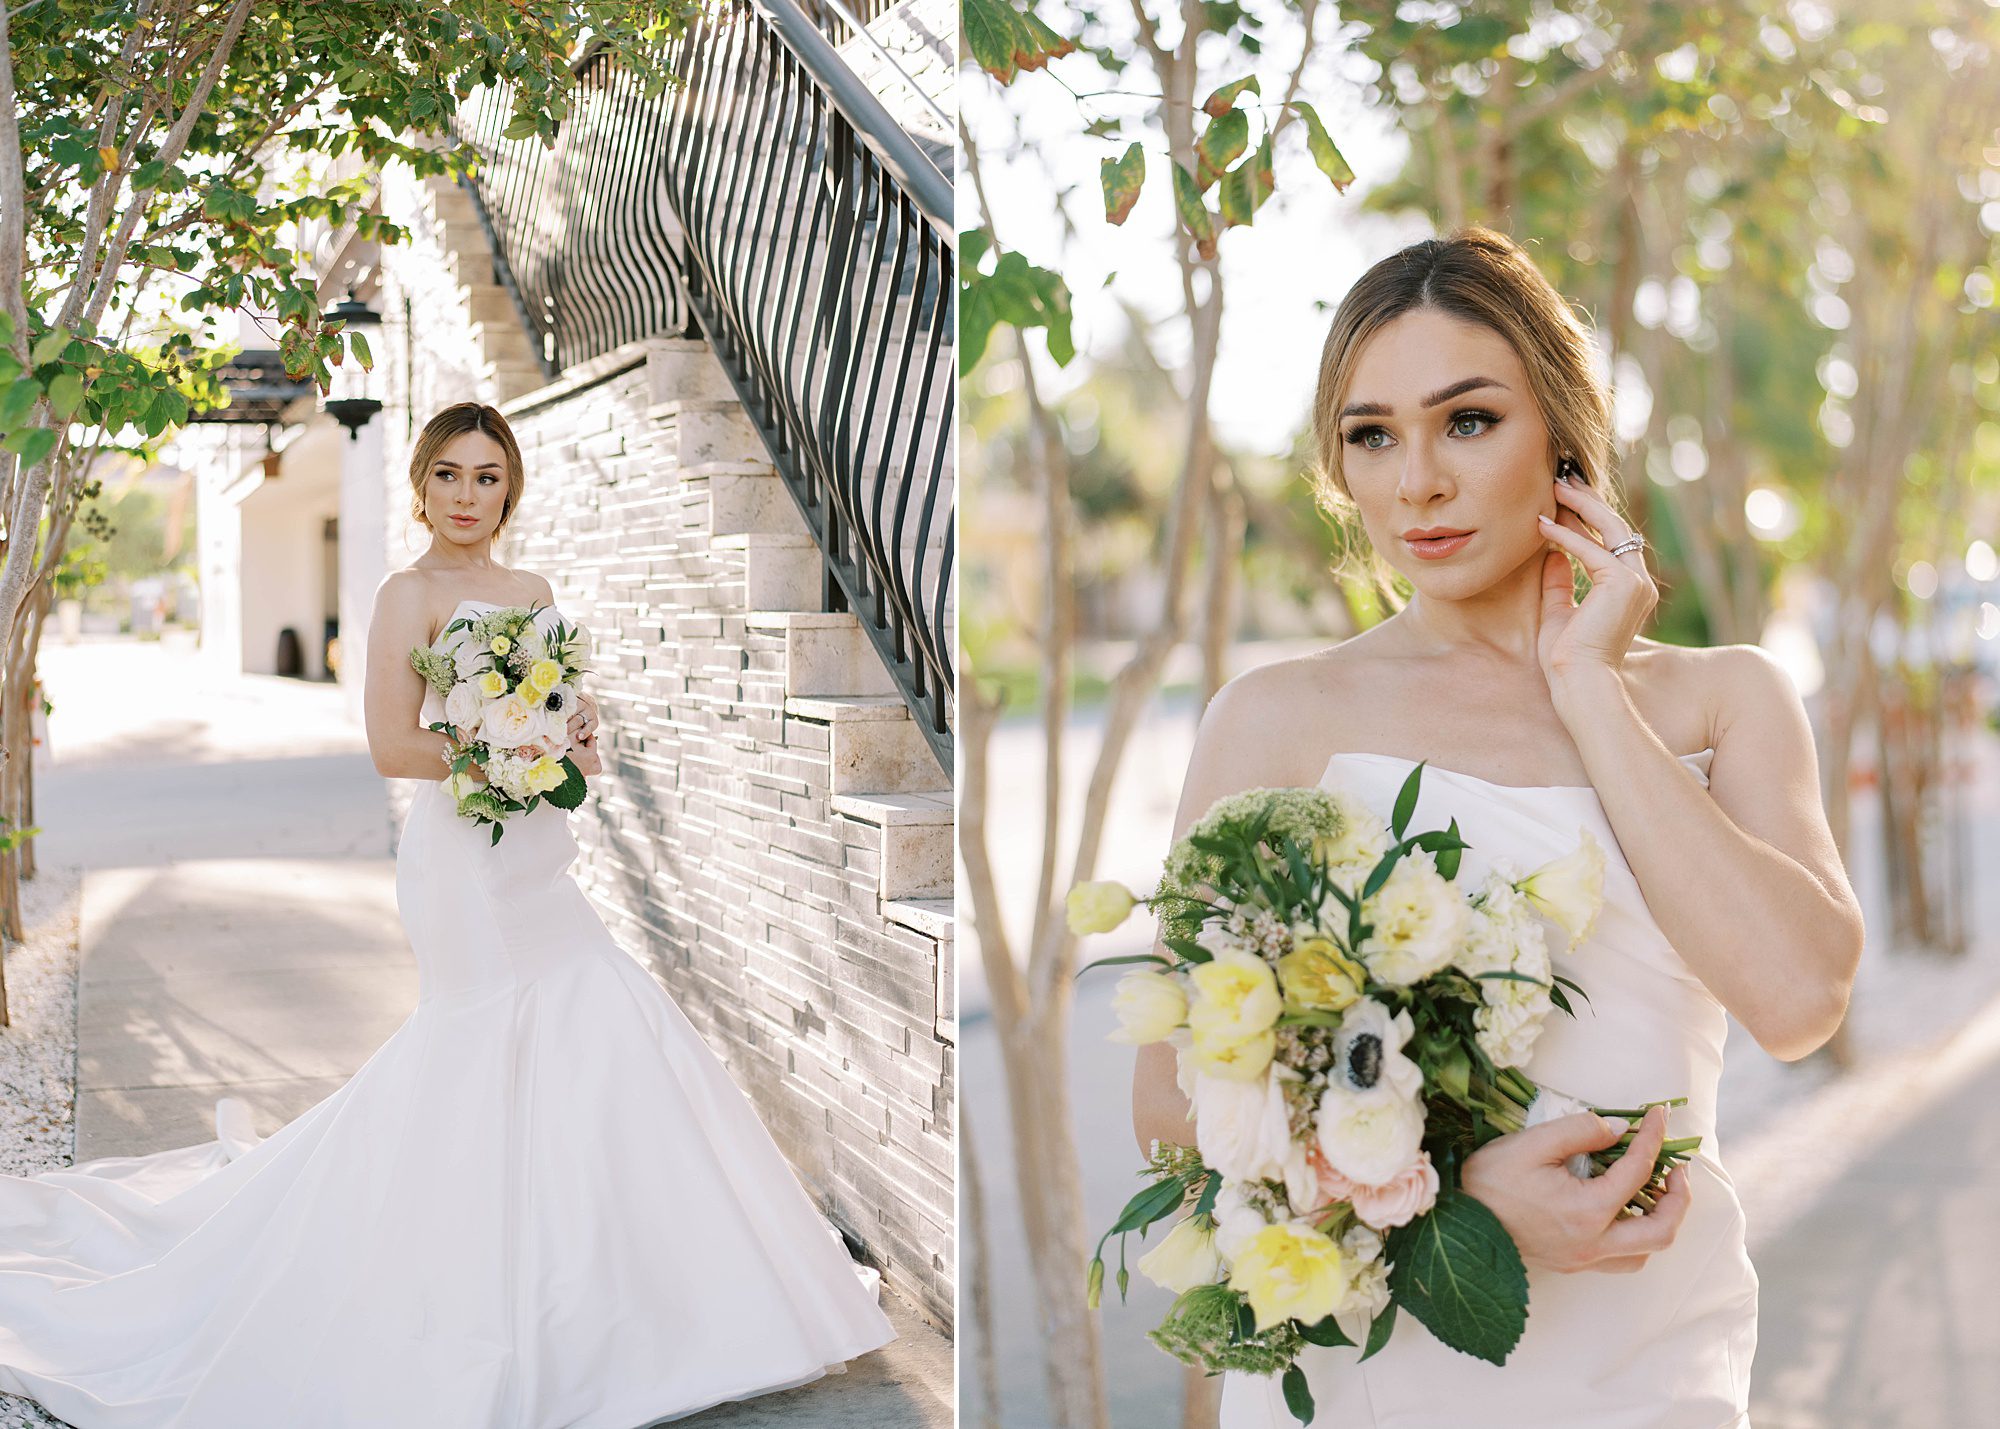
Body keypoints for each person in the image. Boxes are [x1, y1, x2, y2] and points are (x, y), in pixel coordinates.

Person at [0, 402, 896, 1428]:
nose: (469, 496)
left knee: (595, 1014)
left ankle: (625, 1297)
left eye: (488, 477)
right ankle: (474, 1286)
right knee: (483, 1044)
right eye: (451, 476)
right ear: (421, 483)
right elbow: (392, 743)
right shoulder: (405, 594)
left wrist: (567, 721)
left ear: (509, 487)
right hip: (462, 861)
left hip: (529, 850)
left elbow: (559, 711)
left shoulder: (532, 591)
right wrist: (505, 748)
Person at [1129, 230, 1864, 1427]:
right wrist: (1449, 1205)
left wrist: (1588, 687)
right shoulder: (1275, 720)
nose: (1415, 480)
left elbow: (1795, 999)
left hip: (1640, 1367)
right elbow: (1166, 1100)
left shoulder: (1726, 699)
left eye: (1465, 420)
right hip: (1366, 1367)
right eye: (1371, 435)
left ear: (1562, 440)